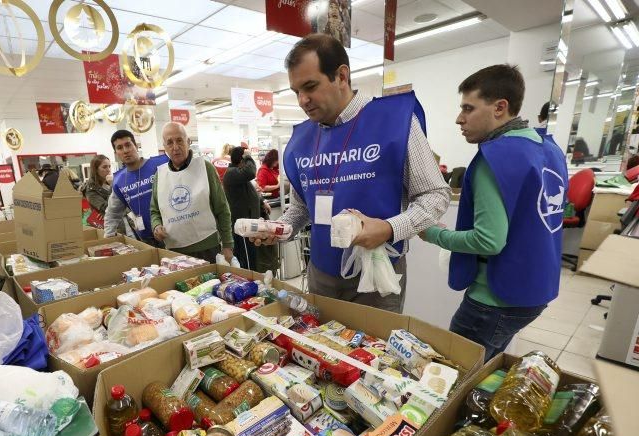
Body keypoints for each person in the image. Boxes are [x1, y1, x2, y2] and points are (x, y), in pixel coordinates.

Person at [254, 34, 450, 313]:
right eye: (296, 90)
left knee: (371, 355)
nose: (302, 100)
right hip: (320, 274)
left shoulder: (394, 121)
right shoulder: (301, 141)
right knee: (322, 348)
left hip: (377, 277)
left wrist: (390, 229)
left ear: (341, 76)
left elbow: (436, 195)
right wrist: (279, 230)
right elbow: (300, 209)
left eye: (310, 86)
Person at [420, 64, 568, 361]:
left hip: (493, 300)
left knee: (453, 375)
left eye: (468, 108)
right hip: (534, 290)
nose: (459, 119)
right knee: (486, 368)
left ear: (500, 107)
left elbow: (489, 241)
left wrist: (434, 233)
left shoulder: (496, 158)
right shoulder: (547, 148)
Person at [150, 122, 234, 263]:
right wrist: (156, 225)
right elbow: (154, 210)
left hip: (208, 247)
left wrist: (227, 245)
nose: (175, 147)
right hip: (175, 252)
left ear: (188, 142)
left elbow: (222, 208)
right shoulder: (160, 175)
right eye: (169, 143)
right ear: (164, 148)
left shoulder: (205, 168)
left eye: (179, 140)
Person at [103, 129, 169, 246]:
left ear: (136, 146)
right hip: (148, 240)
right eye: (119, 148)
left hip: (171, 232)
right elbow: (112, 214)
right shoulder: (119, 181)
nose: (125, 151)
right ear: (116, 153)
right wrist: (107, 240)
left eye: (128, 145)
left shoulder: (160, 164)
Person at [223, 145, 270, 269]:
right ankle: (249, 281)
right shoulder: (232, 173)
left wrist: (262, 202)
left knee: (252, 257)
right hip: (242, 226)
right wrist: (248, 156)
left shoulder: (238, 174)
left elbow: (250, 191)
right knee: (247, 260)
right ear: (242, 161)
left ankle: (253, 280)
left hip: (249, 224)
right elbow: (250, 172)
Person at [81, 154, 116, 230]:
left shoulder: (110, 181)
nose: (108, 169)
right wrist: (113, 187)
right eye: (104, 167)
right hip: (110, 225)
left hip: (125, 220)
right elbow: (107, 208)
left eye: (109, 166)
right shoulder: (91, 189)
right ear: (96, 169)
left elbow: (126, 200)